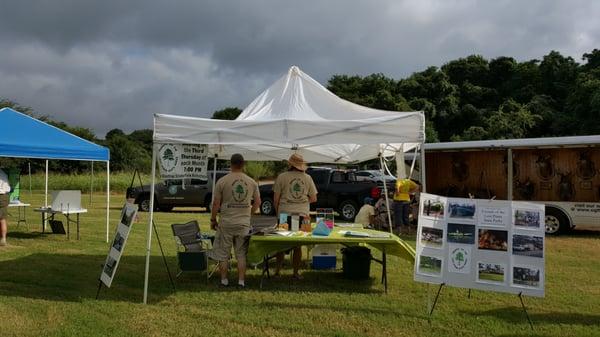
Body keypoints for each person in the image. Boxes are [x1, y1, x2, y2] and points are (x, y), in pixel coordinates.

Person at [209, 154, 260, 288]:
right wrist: (249, 213)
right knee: (241, 254)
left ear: (230, 164)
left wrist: (213, 219)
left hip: (226, 222)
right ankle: (241, 282)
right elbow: (258, 202)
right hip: (243, 223)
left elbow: (216, 204)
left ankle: (224, 281)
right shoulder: (251, 182)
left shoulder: (222, 181)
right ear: (243, 164)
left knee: (223, 253)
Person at [273, 153, 317, 279]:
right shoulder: (308, 178)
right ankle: (296, 273)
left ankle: (277, 271)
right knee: (298, 246)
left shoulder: (282, 177)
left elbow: (275, 199)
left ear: (290, 164)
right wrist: (302, 202)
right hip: (303, 215)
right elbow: (314, 198)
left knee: (281, 245)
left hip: (285, 213)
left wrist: (278, 213)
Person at [0, 168, 10, 246]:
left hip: (2, 195)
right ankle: (3, 238)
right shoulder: (3, 173)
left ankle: (3, 238)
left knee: (2, 219)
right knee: (2, 219)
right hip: (4, 196)